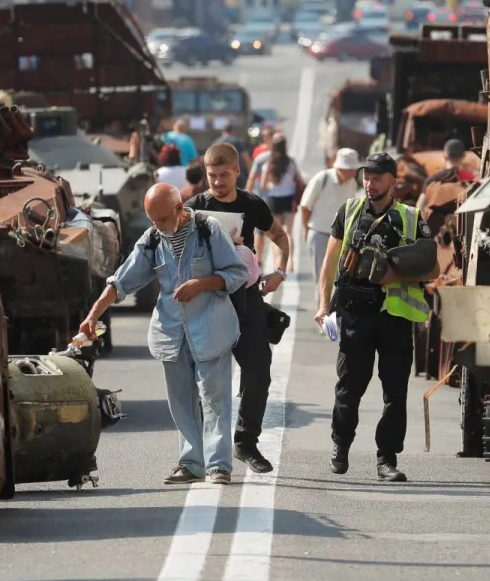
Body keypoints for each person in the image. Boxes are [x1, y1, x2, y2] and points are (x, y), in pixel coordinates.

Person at [81, 184, 248, 485]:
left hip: (211, 329)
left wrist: (201, 284)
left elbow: (237, 273)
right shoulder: (152, 239)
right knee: (181, 400)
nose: (156, 225)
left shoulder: (209, 231)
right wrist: (93, 314)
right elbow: (121, 282)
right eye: (151, 219)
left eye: (161, 218)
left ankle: (219, 465)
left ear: (179, 209)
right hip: (172, 333)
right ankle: (191, 463)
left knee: (214, 398)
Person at [314, 152, 437, 482]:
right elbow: (330, 262)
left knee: (395, 391)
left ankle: (387, 459)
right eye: (366, 177)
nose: (370, 184)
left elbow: (432, 265)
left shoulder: (411, 218)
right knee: (349, 387)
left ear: (393, 181)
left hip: (394, 318)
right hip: (355, 314)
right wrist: (323, 305)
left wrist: (396, 273)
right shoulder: (350, 211)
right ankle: (340, 446)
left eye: (378, 178)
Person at [186, 142, 292, 475]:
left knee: (259, 370)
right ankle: (205, 450)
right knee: (205, 379)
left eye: (224, 175)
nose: (217, 182)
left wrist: (279, 273)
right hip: (207, 300)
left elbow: (281, 237)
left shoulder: (252, 205)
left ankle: (246, 443)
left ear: (237, 172)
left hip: (245, 299)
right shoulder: (193, 207)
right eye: (212, 176)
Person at [300, 147, 361, 286]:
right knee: (322, 276)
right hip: (319, 233)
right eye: (349, 169)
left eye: (353, 169)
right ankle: (322, 307)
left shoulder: (351, 183)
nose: (352, 172)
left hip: (341, 236)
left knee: (340, 276)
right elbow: (305, 206)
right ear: (340, 168)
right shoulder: (322, 178)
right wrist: (305, 229)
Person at [248, 136, 306, 272]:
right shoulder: (291, 162)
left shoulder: (269, 163)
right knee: (289, 233)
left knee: (276, 236)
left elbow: (262, 185)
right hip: (288, 199)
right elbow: (300, 181)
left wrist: (271, 185)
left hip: (273, 200)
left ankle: (278, 265)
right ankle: (291, 262)